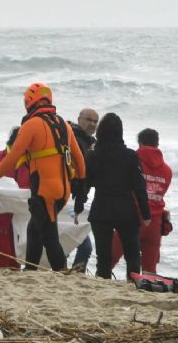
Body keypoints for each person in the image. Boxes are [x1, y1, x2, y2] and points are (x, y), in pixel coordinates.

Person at [0, 83, 86, 271]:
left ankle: (61, 273)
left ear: (29, 101)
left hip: (45, 191)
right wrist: (81, 189)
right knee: (34, 230)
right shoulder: (64, 125)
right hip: (63, 190)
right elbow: (79, 158)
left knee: (50, 237)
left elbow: (12, 157)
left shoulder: (32, 124)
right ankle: (30, 270)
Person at [86, 113, 150, 279]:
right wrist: (146, 213)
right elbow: (139, 186)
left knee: (103, 257)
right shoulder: (129, 155)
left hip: (101, 209)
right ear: (119, 132)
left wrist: (79, 204)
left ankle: (103, 284)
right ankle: (133, 284)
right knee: (133, 254)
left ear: (100, 132)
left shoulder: (93, 155)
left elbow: (85, 181)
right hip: (125, 210)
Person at [110, 128, 172, 274]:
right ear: (157, 144)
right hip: (155, 222)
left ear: (140, 143)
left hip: (131, 218)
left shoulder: (132, 162)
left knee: (110, 258)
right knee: (149, 268)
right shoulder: (167, 170)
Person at [0, 126, 29, 269]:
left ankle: (11, 287)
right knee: (3, 255)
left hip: (21, 218)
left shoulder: (30, 162)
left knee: (16, 259)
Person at [68, 108, 99, 272]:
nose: (92, 124)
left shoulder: (91, 142)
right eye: (89, 120)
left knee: (81, 243)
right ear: (79, 119)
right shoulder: (72, 137)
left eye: (95, 121)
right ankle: (66, 272)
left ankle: (73, 273)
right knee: (83, 244)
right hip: (67, 197)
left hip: (79, 199)